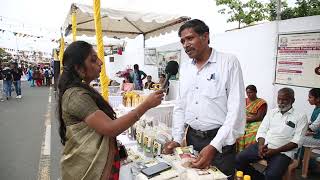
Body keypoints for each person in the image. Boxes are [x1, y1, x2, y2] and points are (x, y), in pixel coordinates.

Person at [57, 41, 164, 180]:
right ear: (79, 68)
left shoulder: (81, 91)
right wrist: (146, 105)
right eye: (93, 59)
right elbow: (110, 128)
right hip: (88, 170)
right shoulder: (76, 96)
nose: (100, 62)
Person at [162, 19, 245, 178]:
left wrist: (214, 146)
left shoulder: (228, 62)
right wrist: (178, 139)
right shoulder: (185, 67)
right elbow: (180, 105)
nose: (185, 44)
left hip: (220, 142)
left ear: (205, 36)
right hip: (193, 138)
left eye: (190, 38)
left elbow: (236, 109)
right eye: (182, 41)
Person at [235, 88, 308, 180]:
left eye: (284, 99)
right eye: (279, 99)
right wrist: (261, 145)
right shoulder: (271, 112)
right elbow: (262, 131)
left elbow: (297, 141)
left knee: (272, 176)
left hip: (283, 152)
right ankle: (259, 178)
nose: (281, 102)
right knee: (238, 159)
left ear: (292, 100)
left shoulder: (301, 116)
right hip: (263, 147)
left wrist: (275, 151)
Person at [237, 85, 267, 152]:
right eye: (247, 93)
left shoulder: (261, 103)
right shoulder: (244, 101)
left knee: (252, 133)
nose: (249, 94)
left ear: (255, 92)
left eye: (251, 92)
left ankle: (249, 151)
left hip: (256, 122)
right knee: (238, 131)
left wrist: (245, 120)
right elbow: (239, 111)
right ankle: (239, 152)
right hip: (244, 120)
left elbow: (259, 117)